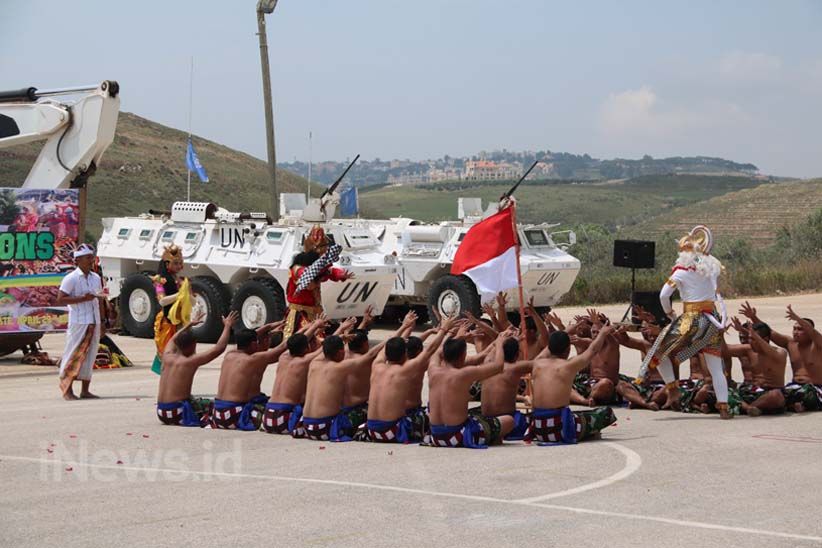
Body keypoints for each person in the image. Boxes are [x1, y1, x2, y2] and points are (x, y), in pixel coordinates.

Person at [637, 225, 734, 419]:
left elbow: (664, 295)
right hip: (712, 319)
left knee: (658, 353)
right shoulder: (711, 269)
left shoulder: (680, 272)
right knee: (716, 366)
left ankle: (672, 388)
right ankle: (724, 407)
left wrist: (670, 313)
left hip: (690, 319)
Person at [367, 315, 456, 443]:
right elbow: (430, 350)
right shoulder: (405, 370)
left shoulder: (376, 365)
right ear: (404, 354)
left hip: (371, 431)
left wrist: (404, 326)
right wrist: (445, 330)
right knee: (434, 414)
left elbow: (388, 343)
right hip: (391, 431)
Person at [427, 329, 515, 448]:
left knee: (477, 415)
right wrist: (499, 343)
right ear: (463, 355)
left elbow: (437, 353)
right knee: (509, 420)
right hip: (458, 436)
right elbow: (498, 366)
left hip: (436, 437)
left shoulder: (432, 370)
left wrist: (457, 337)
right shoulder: (464, 374)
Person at [528, 329, 617, 444]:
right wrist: (603, 333)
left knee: (579, 414)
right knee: (606, 412)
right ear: (568, 350)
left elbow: (547, 350)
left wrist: (565, 332)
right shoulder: (568, 365)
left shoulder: (537, 363)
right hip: (559, 431)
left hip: (539, 429)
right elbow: (593, 350)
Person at [156, 311, 238, 426]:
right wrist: (227, 326)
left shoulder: (166, 355)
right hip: (177, 413)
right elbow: (219, 348)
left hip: (161, 412)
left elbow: (174, 338)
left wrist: (189, 325)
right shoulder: (189, 362)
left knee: (194, 399)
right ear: (194, 344)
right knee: (214, 406)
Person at [740, 302, 822, 412]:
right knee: (777, 395)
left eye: (800, 329)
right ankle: (753, 408)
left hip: (815, 388)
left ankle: (799, 405)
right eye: (794, 329)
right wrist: (753, 317)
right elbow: (770, 333)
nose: (795, 332)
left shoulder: (817, 345)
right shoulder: (790, 343)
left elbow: (813, 332)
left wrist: (797, 318)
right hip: (794, 387)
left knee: (808, 394)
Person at [302, 335, 386, 441]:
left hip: (307, 427)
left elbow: (325, 348)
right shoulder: (340, 367)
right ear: (340, 352)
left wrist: (342, 336)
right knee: (372, 411)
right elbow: (370, 355)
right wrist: (390, 339)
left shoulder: (314, 363)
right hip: (326, 428)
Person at [261, 318, 336, 437]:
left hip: (267, 417)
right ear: (307, 348)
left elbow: (294, 341)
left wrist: (314, 325)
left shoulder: (283, 357)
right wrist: (341, 330)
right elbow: (327, 346)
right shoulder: (305, 361)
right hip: (284, 419)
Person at [211, 323, 288, 430]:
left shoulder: (230, 354)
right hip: (234, 415)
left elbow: (245, 338)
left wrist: (269, 326)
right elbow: (280, 349)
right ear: (253, 344)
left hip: (217, 415)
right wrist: (306, 330)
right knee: (276, 414)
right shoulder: (252, 360)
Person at [283, 226, 353, 339]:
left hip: (315, 312)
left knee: (316, 340)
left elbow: (331, 271)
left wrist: (341, 275)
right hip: (300, 312)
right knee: (301, 340)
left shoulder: (318, 270)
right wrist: (321, 274)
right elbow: (309, 283)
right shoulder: (298, 269)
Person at [55, 244, 106, 400]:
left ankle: (85, 390)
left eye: (92, 257)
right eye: (87, 258)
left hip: (94, 320)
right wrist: (83, 299)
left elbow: (100, 300)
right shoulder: (71, 278)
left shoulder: (96, 278)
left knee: (90, 356)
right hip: (79, 322)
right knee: (73, 354)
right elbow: (60, 299)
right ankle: (67, 389)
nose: (91, 261)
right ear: (78, 260)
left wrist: (103, 321)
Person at [478, 336, 534, 441]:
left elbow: (494, 349)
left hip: (486, 419)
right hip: (507, 421)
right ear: (517, 354)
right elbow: (542, 362)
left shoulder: (487, 363)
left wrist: (500, 339)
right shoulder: (515, 368)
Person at [725, 320, 787, 416]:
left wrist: (756, 336)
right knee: (725, 391)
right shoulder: (749, 349)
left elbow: (769, 351)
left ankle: (745, 407)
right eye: (749, 338)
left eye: (753, 339)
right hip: (752, 391)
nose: (749, 341)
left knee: (776, 395)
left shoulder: (780, 353)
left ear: (765, 339)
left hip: (769, 393)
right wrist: (719, 334)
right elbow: (724, 350)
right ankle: (750, 408)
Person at [151, 244, 190, 375]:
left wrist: (188, 295)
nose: (179, 266)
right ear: (167, 263)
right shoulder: (159, 280)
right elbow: (162, 300)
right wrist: (179, 295)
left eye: (180, 263)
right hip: (167, 321)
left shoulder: (180, 280)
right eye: (176, 263)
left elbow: (190, 300)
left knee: (182, 354)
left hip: (180, 321)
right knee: (168, 354)